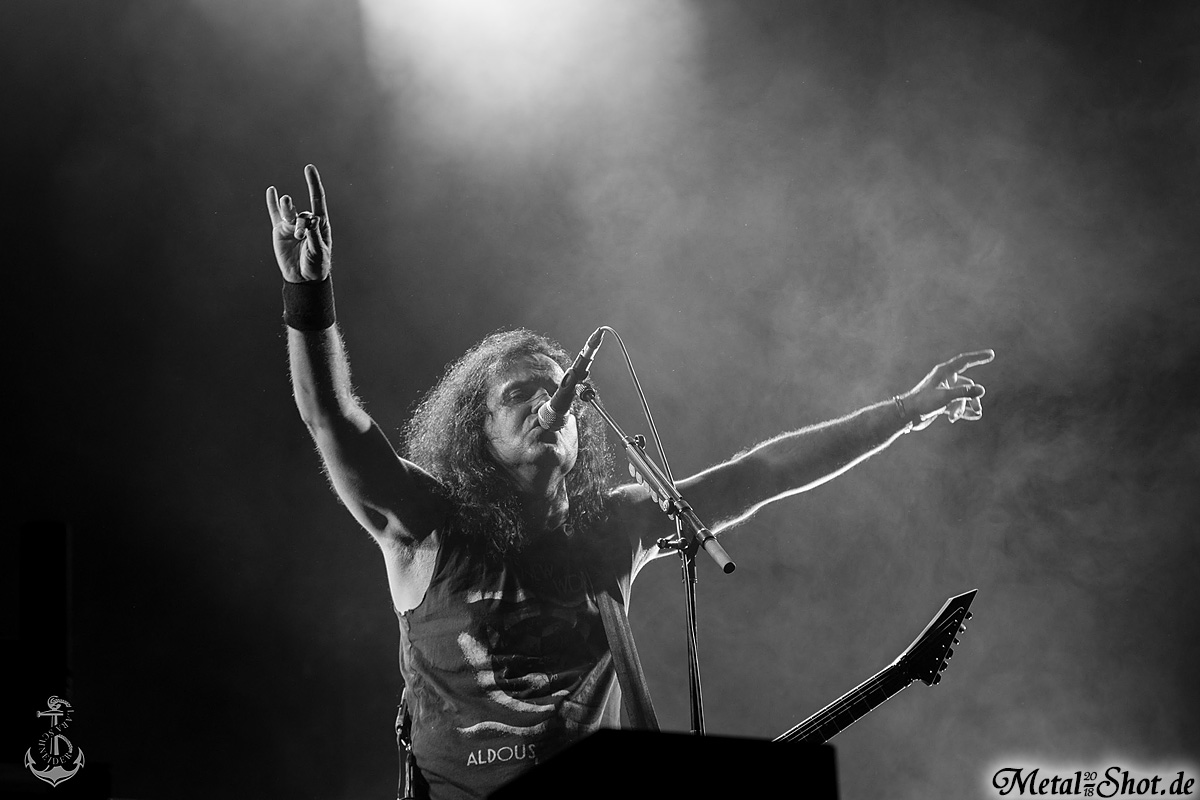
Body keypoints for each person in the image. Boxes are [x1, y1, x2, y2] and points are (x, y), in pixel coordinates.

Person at [266, 165, 993, 800]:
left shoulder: (612, 530)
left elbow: (761, 474)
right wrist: (308, 292)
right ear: (475, 431)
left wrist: (903, 413)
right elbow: (333, 419)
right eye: (518, 394)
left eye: (558, 393)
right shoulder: (428, 524)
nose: (547, 405)